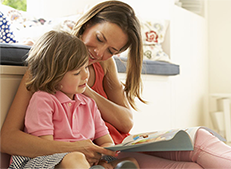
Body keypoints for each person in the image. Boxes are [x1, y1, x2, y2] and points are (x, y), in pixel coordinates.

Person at [0, 0, 231, 168]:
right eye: (100, 38)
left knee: (197, 139)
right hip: (92, 156)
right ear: (87, 24)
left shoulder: (104, 65)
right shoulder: (51, 65)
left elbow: (126, 122)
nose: (99, 52)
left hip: (115, 147)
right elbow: (9, 139)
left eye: (112, 50)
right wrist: (80, 147)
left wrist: (88, 92)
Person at [8, 30, 138, 169]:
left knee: (130, 161)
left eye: (85, 68)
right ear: (55, 77)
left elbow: (106, 141)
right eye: (77, 72)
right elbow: (46, 147)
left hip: (82, 161)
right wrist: (80, 154)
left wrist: (102, 156)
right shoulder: (43, 100)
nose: (85, 76)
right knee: (75, 159)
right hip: (45, 159)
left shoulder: (89, 103)